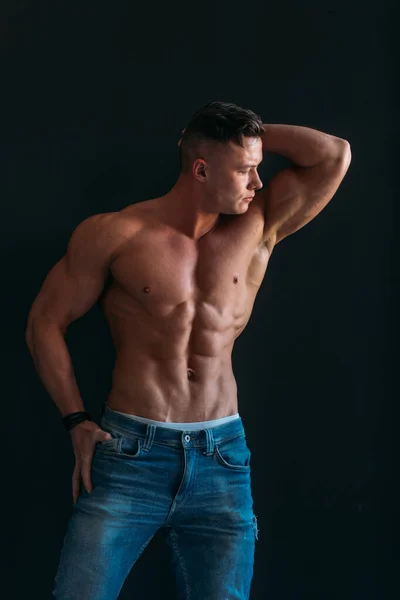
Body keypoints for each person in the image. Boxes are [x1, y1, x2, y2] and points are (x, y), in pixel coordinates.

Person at [25, 100, 351, 599]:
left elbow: (334, 154)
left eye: (259, 168)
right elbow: (45, 321)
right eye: (245, 170)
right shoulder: (116, 233)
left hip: (222, 459)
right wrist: (75, 420)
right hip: (131, 453)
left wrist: (250, 135)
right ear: (201, 169)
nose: (258, 183)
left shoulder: (259, 226)